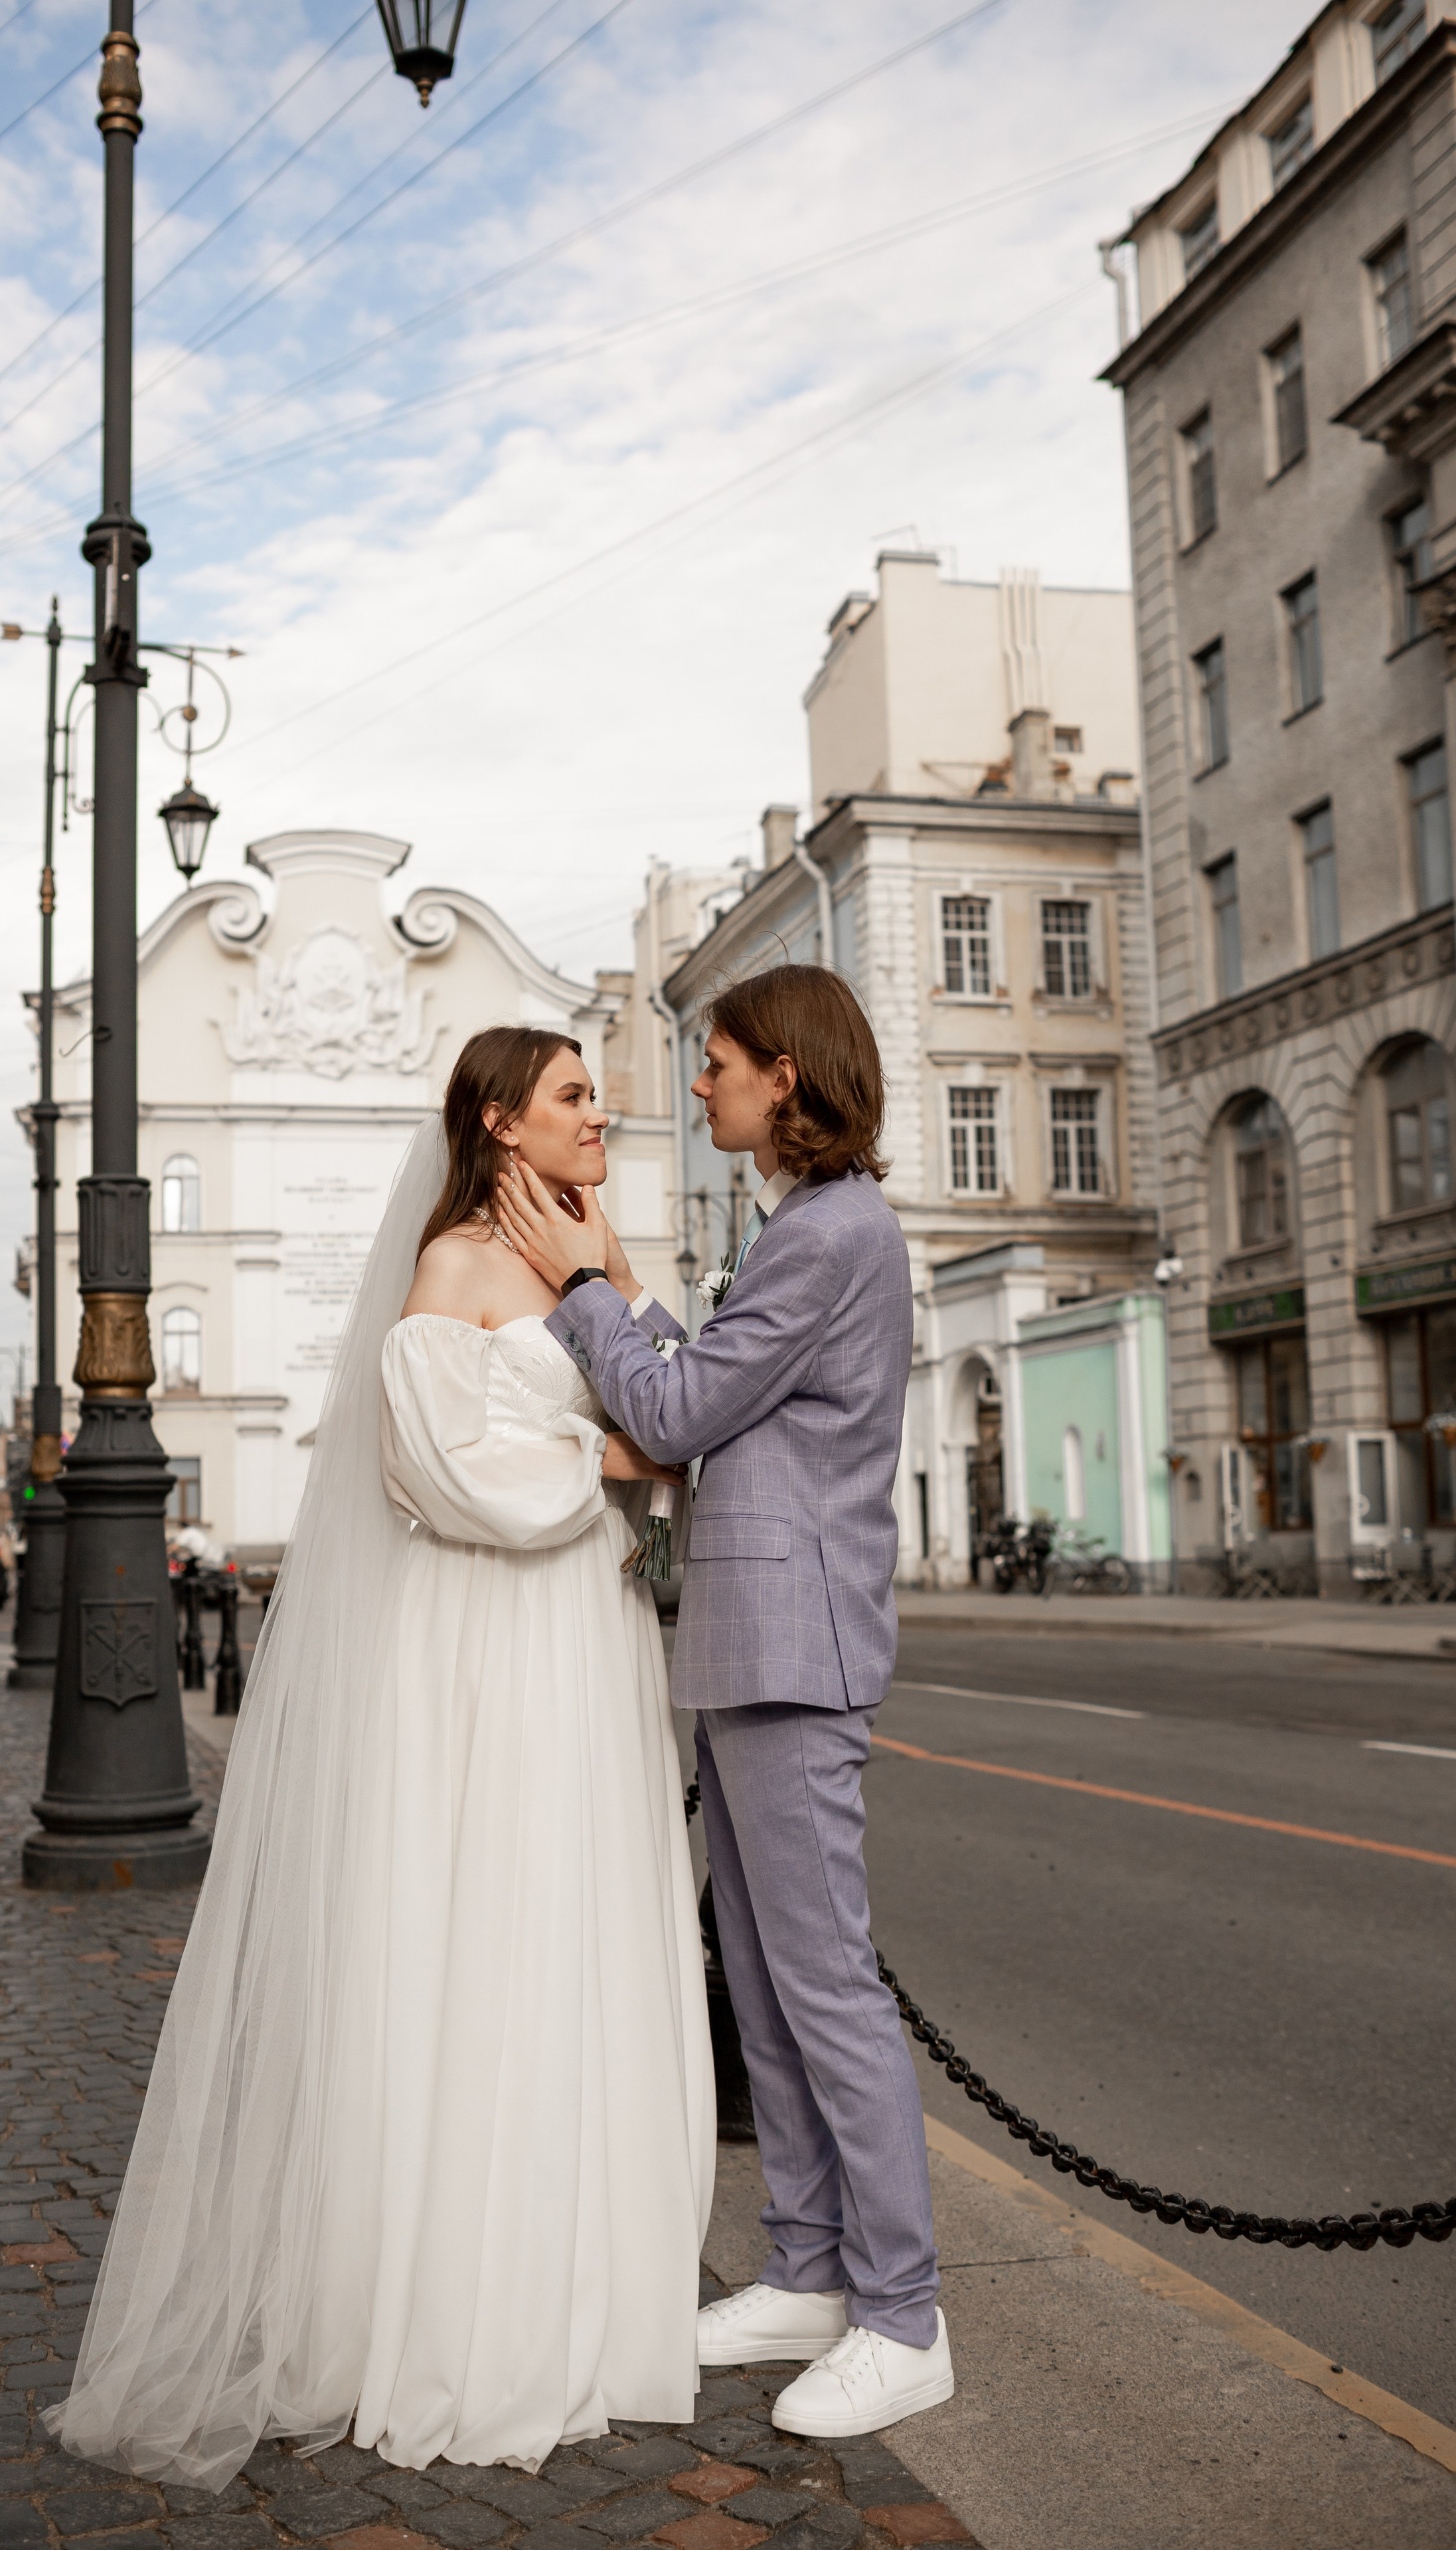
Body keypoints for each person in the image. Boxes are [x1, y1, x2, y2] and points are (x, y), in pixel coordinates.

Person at [45, 1028, 712, 2488]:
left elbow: (682, 1410)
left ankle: (590, 2279)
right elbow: (446, 1477)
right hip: (490, 1643)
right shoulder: (455, 1267)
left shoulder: (600, 1245)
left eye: (597, 1094)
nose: (600, 1115)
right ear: (497, 1121)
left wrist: (631, 1369)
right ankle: (458, 2302)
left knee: (581, 1930)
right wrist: (621, 1465)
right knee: (488, 1932)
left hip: (588, 1642)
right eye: (571, 1097)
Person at [502, 962, 951, 2444]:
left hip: (793, 1642)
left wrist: (577, 1292)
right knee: (761, 1979)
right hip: (755, 1639)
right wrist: (625, 1288)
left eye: (717, 1064)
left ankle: (901, 2312)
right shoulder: (800, 1231)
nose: (696, 1086)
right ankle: (808, 2272)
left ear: (788, 1078)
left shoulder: (829, 1236)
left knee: (821, 1985)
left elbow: (681, 1413)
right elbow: (710, 1376)